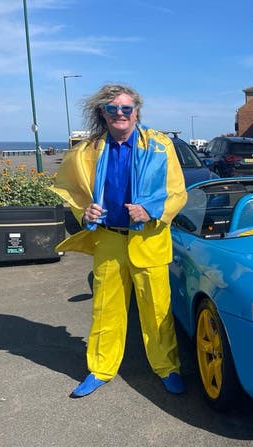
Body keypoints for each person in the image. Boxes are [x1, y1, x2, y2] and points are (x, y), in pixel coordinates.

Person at [50, 84, 188, 398]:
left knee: (157, 310)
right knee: (105, 309)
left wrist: (150, 211)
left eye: (126, 108)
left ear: (136, 111)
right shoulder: (88, 151)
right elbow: (72, 190)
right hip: (110, 240)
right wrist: (85, 211)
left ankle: (167, 367)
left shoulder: (159, 145)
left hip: (149, 239)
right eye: (113, 109)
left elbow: (177, 192)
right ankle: (100, 369)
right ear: (103, 113)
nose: (120, 114)